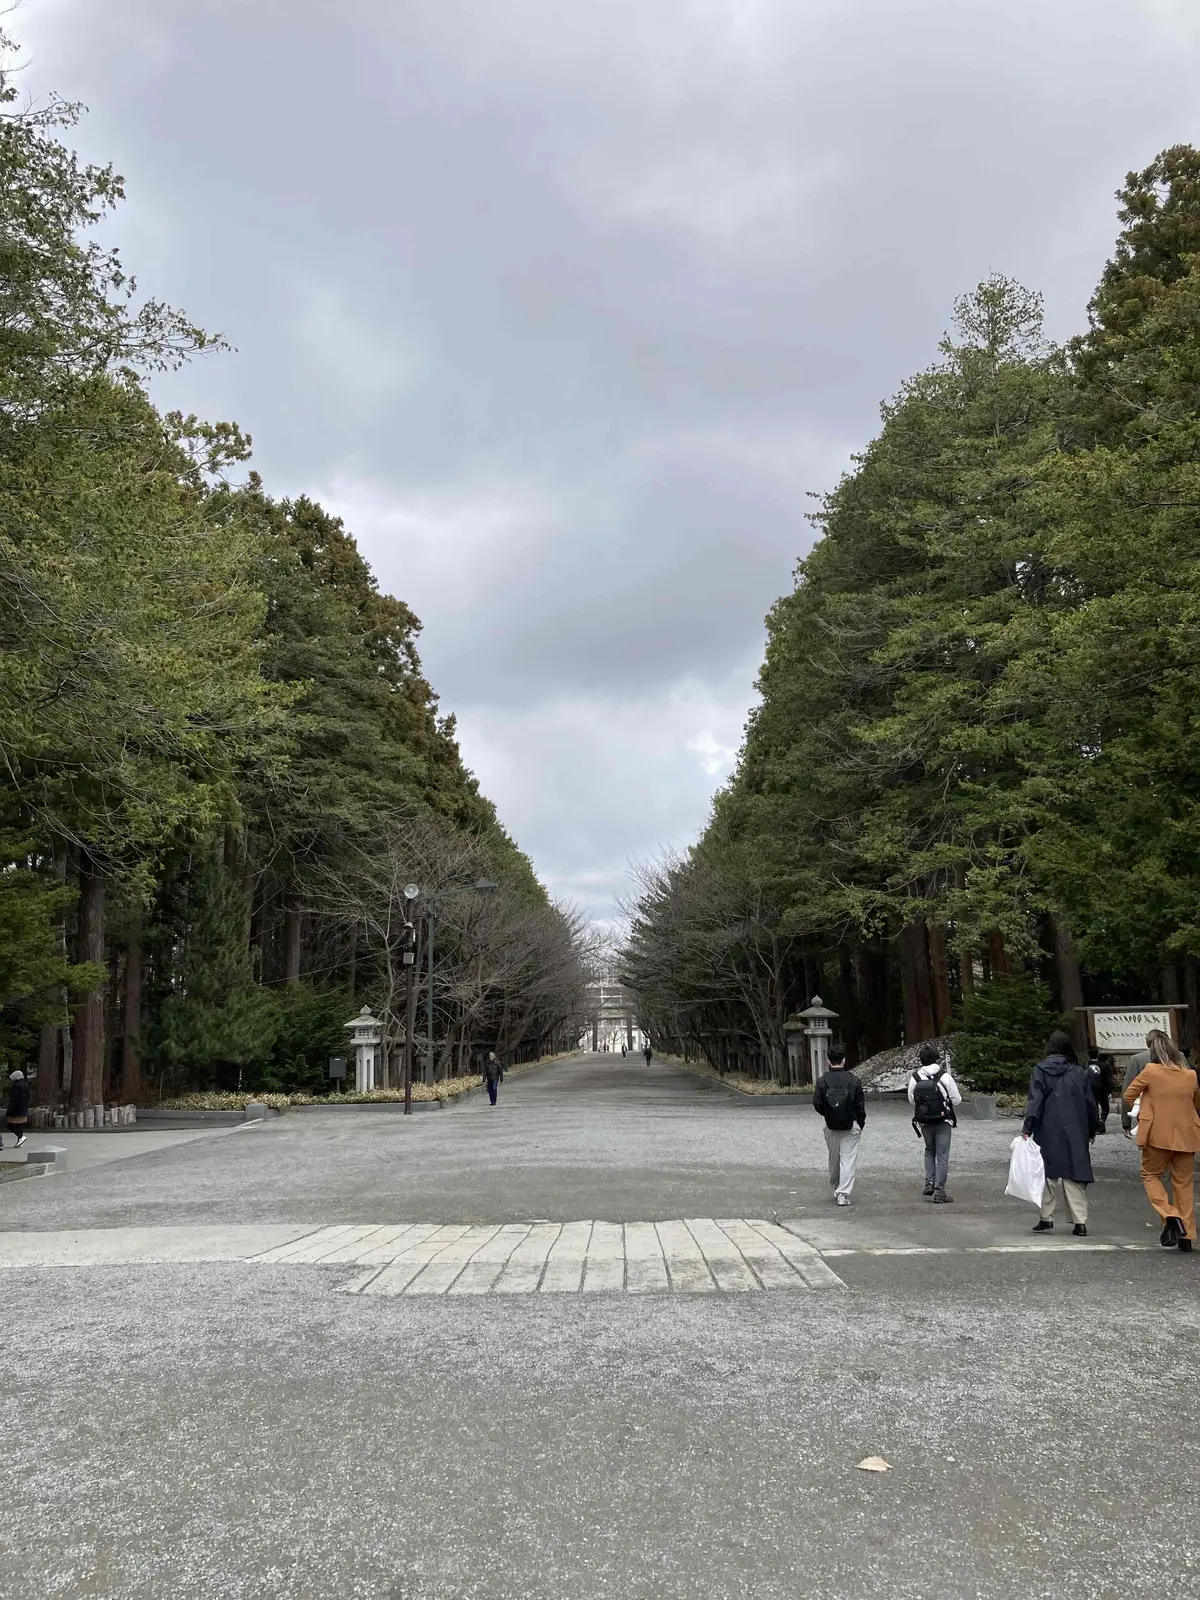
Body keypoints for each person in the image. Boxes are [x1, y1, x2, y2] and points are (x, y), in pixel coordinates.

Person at [1123, 1028, 1200, 1253]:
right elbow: (1196, 1103)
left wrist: (1147, 1102)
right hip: (1187, 1135)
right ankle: (1187, 1235)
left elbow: (1128, 1095)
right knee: (1183, 1184)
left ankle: (1170, 1215)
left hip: (1157, 1134)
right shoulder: (1190, 1075)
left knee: (1151, 1175)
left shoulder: (1150, 1071)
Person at [1023, 1029, 1099, 1236]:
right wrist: (1093, 1128)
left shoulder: (1040, 1069)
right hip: (1075, 1127)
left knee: (1047, 1173)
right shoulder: (1078, 1071)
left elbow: (1035, 1100)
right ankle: (1080, 1222)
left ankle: (1045, 1218)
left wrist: (1028, 1127)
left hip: (1048, 1128)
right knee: (1074, 1174)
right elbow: (1089, 1103)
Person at [907, 1042, 962, 1203]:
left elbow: (912, 1100)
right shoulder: (944, 1076)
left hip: (924, 1121)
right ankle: (939, 1191)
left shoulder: (916, 1077)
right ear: (937, 1059)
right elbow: (957, 1100)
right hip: (943, 1120)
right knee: (942, 1155)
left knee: (929, 1151)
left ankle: (929, 1182)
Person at [812, 1045, 866, 1207]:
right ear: (844, 1060)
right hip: (852, 1124)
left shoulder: (822, 1081)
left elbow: (817, 1103)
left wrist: (828, 1115)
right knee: (848, 1159)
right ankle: (843, 1193)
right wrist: (860, 1123)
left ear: (828, 1061)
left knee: (834, 1158)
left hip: (831, 1124)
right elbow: (860, 1106)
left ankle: (836, 1185)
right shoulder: (854, 1080)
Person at [1087, 1049, 1113, 1133]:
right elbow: (1108, 1079)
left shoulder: (1085, 1066)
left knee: (1094, 1108)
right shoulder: (1103, 1065)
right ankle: (1102, 1120)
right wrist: (1109, 1091)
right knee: (1105, 1107)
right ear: (1097, 1054)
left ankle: (1097, 1125)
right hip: (1101, 1089)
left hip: (1090, 1089)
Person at [4, 1068, 29, 1148]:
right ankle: (20, 1141)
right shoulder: (25, 1085)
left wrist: (11, 1110)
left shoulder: (17, 1086)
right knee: (18, 1125)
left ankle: (21, 1137)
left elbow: (14, 1099)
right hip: (23, 1108)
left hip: (17, 1109)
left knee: (10, 1125)